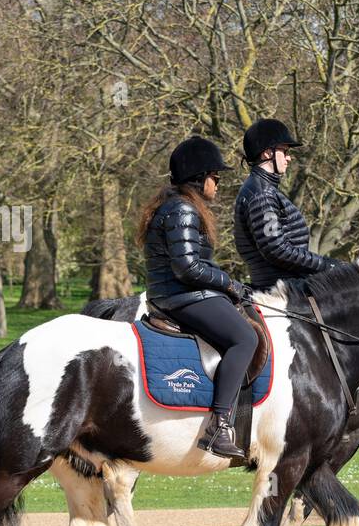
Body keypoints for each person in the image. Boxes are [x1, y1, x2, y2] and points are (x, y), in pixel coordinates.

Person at [142, 135, 256, 459]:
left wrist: (230, 284)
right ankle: (219, 426)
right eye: (215, 177)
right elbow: (188, 267)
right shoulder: (182, 210)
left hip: (178, 293)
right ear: (199, 176)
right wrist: (230, 285)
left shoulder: (177, 206)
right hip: (182, 296)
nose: (217, 184)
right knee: (244, 338)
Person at [233, 118, 340, 290]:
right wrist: (327, 264)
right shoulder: (262, 195)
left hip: (289, 285)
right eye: (284, 151)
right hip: (282, 291)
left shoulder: (263, 189)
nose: (289, 158)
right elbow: (276, 249)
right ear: (268, 153)